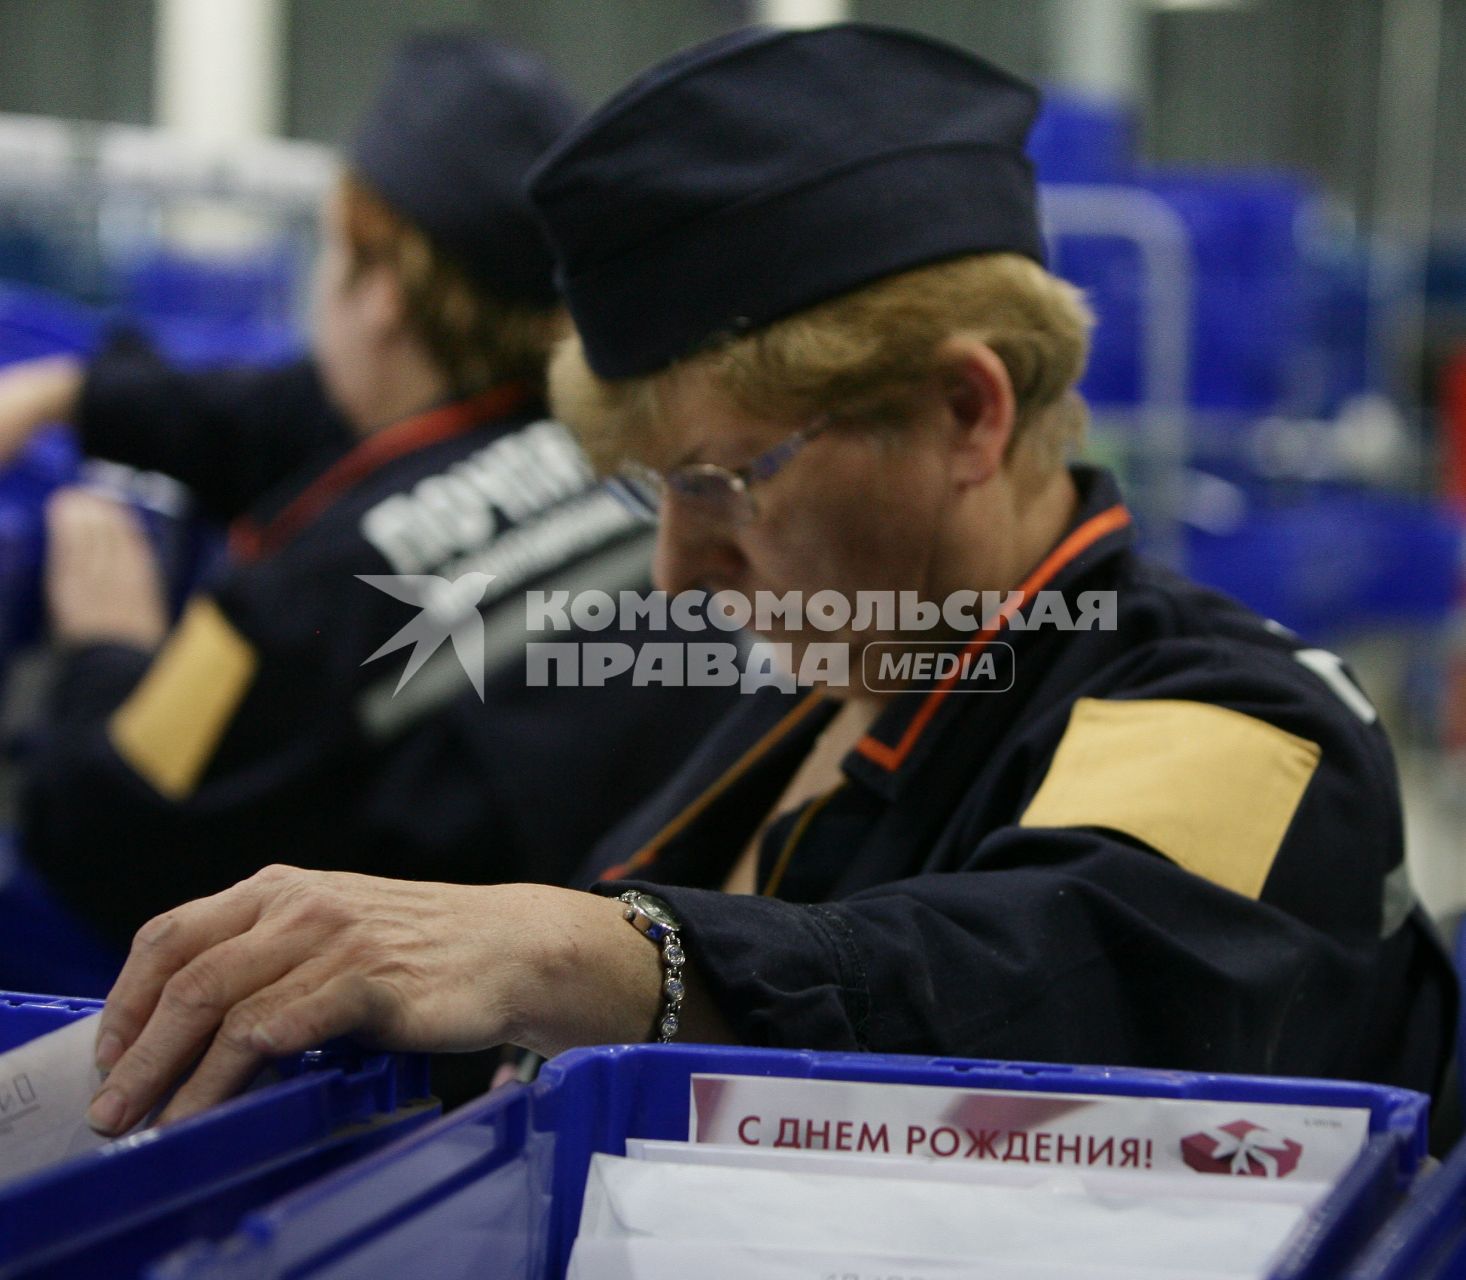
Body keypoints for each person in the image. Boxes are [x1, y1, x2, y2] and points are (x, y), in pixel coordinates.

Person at [80, 22, 1455, 1138]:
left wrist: (581, 956)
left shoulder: (1236, 718)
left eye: (718, 482)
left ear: (965, 415)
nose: (679, 571)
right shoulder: (844, 680)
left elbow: (1048, 973)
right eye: (657, 493)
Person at [0, 33, 733, 955]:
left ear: (380, 289)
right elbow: (290, 412)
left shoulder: (317, 589)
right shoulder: (613, 439)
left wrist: (105, 645)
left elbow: (108, 839)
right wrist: (70, 392)